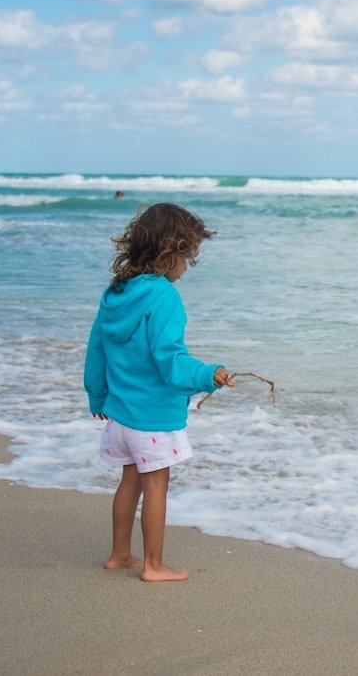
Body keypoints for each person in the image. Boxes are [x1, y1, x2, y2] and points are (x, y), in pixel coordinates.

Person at [83, 202, 235, 582]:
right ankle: (153, 565)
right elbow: (169, 359)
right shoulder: (163, 297)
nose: (187, 266)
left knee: (128, 482)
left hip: (119, 416)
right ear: (169, 253)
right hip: (152, 418)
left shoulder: (116, 292)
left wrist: (97, 396)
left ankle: (119, 554)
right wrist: (207, 375)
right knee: (156, 488)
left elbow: (97, 349)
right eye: (187, 256)